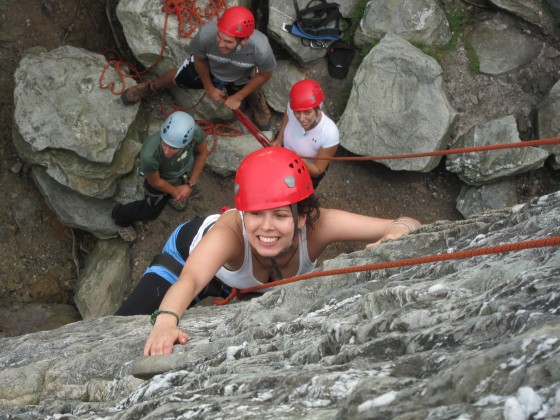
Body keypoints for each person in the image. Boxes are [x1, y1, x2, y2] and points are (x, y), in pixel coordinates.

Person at [121, 146, 421, 356]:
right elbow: (189, 280)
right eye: (255, 214)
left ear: (301, 216)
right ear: (243, 213)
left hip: (246, 282)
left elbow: (407, 221)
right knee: (127, 321)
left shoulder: (319, 226)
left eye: (279, 215)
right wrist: (166, 320)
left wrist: (397, 233)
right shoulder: (229, 233)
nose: (266, 228)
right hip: (186, 256)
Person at [121, 5, 276, 130]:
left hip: (240, 76)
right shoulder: (206, 35)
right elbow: (199, 60)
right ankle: (151, 87)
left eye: (228, 42)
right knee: (177, 77)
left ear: (243, 41)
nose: (221, 44)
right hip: (210, 68)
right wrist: (209, 87)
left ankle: (255, 100)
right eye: (219, 37)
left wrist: (238, 96)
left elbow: (264, 74)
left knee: (251, 85)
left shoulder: (260, 48)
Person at [112, 111, 210, 242]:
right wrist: (177, 192)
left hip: (181, 173)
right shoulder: (150, 154)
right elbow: (156, 182)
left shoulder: (194, 132)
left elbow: (202, 154)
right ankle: (120, 216)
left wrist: (190, 184)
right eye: (165, 144)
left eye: (174, 148)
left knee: (178, 189)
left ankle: (172, 196)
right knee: (150, 213)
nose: (167, 151)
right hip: (160, 181)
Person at [272, 79, 339, 188]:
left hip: (304, 170)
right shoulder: (292, 106)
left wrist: (299, 161)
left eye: (307, 112)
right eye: (297, 112)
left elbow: (317, 170)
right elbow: (288, 115)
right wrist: (279, 139)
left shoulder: (330, 133)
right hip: (284, 155)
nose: (301, 119)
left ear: (318, 109)